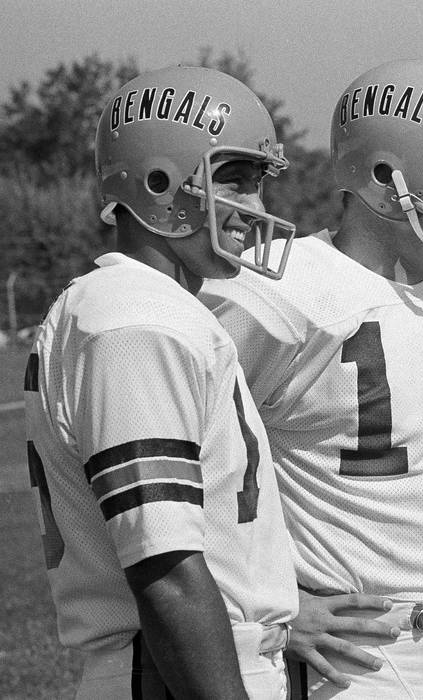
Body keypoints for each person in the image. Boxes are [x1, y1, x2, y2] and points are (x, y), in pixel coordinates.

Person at [200, 59, 423, 699]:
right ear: (388, 175)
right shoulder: (278, 292)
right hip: (361, 659)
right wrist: (272, 603)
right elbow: (200, 457)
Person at [22, 66, 301, 699]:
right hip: (173, 676)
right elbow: (166, 567)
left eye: (258, 183)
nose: (255, 208)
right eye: (235, 180)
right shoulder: (137, 320)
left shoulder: (143, 307)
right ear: (160, 183)